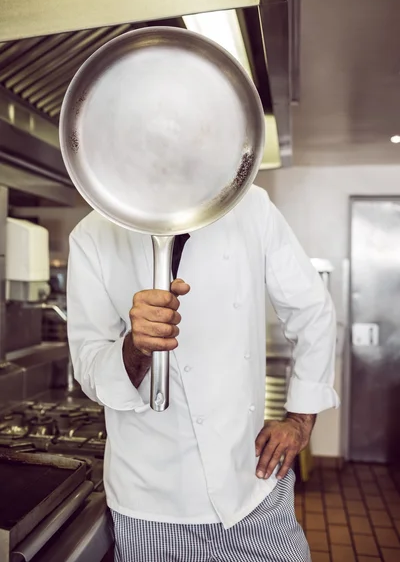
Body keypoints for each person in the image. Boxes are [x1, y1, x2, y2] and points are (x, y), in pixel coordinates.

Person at [68, 185, 338, 562]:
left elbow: (312, 311)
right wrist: (137, 346)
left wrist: (300, 419)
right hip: (150, 506)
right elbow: (90, 365)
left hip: (253, 489)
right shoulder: (93, 234)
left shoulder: (251, 206)